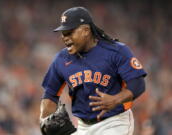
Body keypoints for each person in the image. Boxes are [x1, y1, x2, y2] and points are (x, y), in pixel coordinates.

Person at [40, 7, 147, 135]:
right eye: (63, 33)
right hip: (83, 127)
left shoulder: (116, 51)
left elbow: (138, 83)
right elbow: (50, 95)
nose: (65, 37)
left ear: (86, 30)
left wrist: (116, 99)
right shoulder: (61, 59)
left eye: (70, 32)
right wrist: (44, 120)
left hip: (114, 122)